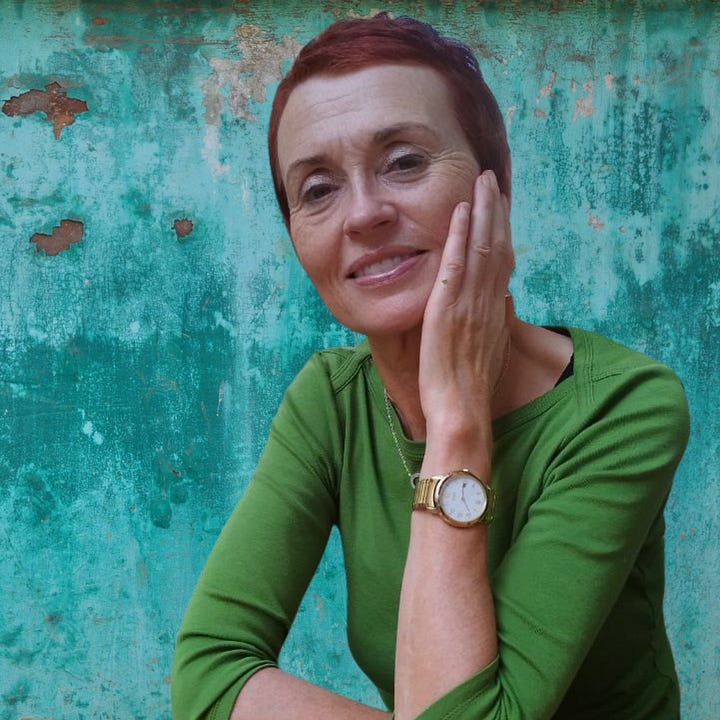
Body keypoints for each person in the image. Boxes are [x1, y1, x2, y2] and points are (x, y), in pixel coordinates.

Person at [171, 13, 689, 720]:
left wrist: (456, 420)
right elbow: (208, 677)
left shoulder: (622, 407)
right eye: (317, 188)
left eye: (405, 161)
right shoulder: (330, 402)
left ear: (495, 185)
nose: (364, 214)